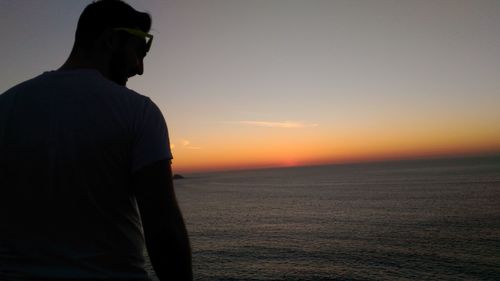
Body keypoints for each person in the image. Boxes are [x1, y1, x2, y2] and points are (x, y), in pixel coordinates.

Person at [0, 0, 192, 280]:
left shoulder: (6, 106)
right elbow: (163, 229)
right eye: (139, 52)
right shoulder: (138, 112)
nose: (139, 69)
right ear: (111, 40)